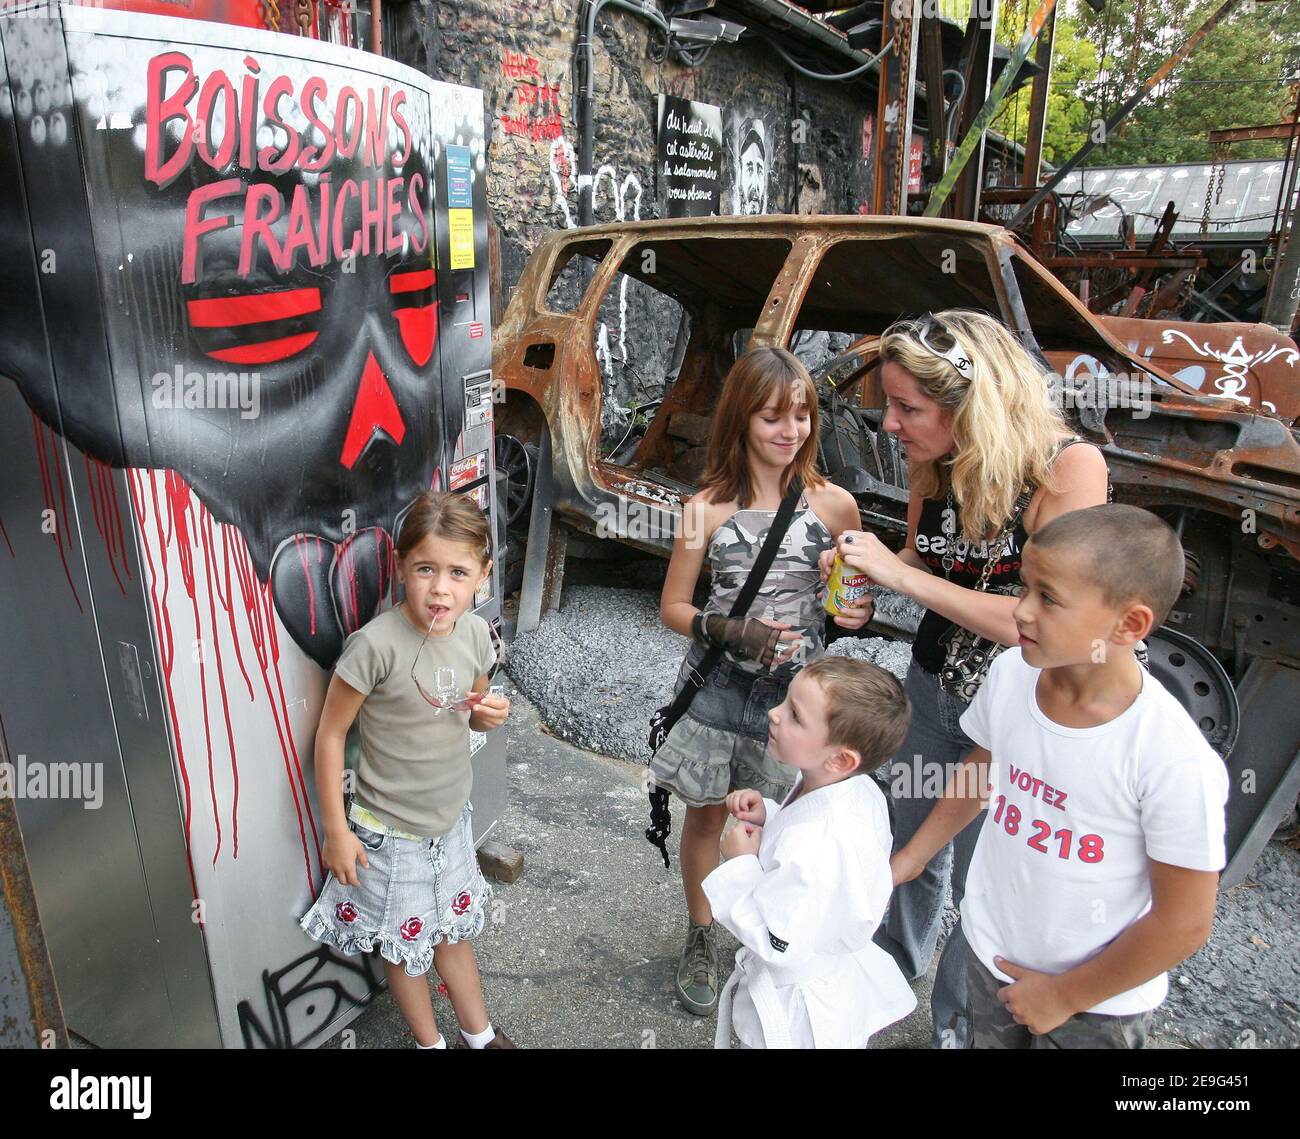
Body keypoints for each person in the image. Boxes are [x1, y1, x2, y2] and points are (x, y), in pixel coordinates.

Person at [827, 309, 1110, 1047]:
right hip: (934, 687)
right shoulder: (936, 459)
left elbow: (1038, 621)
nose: (890, 424)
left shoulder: (1069, 468)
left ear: (972, 403)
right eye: (888, 404)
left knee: (986, 883)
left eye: (908, 408)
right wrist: (867, 565)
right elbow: (926, 559)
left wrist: (900, 578)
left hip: (1020, 712)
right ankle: (892, 968)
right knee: (911, 838)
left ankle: (957, 1023)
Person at [891, 504, 1229, 1048]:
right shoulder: (1010, 675)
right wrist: (914, 856)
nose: (1021, 612)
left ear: (1129, 624)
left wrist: (1067, 994)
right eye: (1024, 588)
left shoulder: (1170, 756)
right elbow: (984, 768)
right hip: (991, 958)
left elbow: (1185, 922)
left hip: (1097, 1006)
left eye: (1048, 598)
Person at [655, 346, 864, 1017]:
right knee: (708, 813)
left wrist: (852, 609)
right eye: (774, 416)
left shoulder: (836, 505)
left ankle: (766, 932)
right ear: (742, 418)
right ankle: (703, 930)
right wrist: (727, 629)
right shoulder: (706, 508)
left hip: (797, 697)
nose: (791, 430)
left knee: (781, 822)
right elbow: (672, 606)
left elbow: (847, 604)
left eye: (802, 415)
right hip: (717, 686)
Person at [300, 491, 514, 1049]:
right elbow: (330, 734)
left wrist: (490, 716)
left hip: (451, 824)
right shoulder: (374, 647)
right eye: (425, 569)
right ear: (401, 568)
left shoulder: (474, 635)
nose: (440, 588)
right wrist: (336, 831)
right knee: (406, 947)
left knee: (452, 937)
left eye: (458, 572)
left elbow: (474, 716)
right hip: (391, 835)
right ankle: (430, 1043)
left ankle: (481, 1035)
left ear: (482, 576)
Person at [704, 657, 917, 1048]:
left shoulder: (819, 840)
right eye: (785, 701)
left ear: (840, 758)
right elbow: (800, 829)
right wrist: (769, 814)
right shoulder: (849, 786)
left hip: (795, 1014)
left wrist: (741, 864)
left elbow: (776, 940)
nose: (774, 713)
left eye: (795, 716)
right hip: (826, 978)